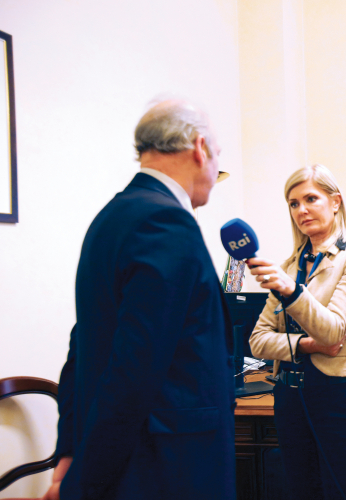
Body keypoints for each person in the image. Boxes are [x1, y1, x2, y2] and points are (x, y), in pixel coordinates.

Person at [45, 100, 235, 500]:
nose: (217, 173)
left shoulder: (112, 217)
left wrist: (70, 449)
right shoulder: (166, 223)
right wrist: (85, 481)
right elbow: (134, 368)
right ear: (200, 148)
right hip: (166, 467)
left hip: (126, 458)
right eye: (218, 156)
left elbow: (84, 345)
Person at [248, 164, 346, 500]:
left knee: (341, 492)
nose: (301, 210)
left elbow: (333, 331)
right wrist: (305, 344)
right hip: (289, 398)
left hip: (339, 396)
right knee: (299, 491)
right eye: (293, 203)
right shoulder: (289, 266)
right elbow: (258, 340)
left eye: (310, 199)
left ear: (335, 202)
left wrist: (291, 292)